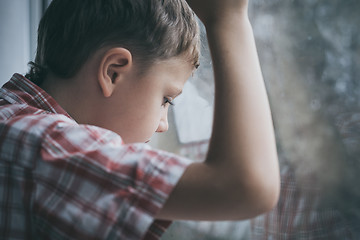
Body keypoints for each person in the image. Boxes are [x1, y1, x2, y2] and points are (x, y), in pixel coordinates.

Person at [0, 0, 280, 239]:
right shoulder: (52, 148)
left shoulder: (14, 122)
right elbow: (245, 187)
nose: (163, 124)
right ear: (113, 72)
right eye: (165, 100)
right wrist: (228, 19)